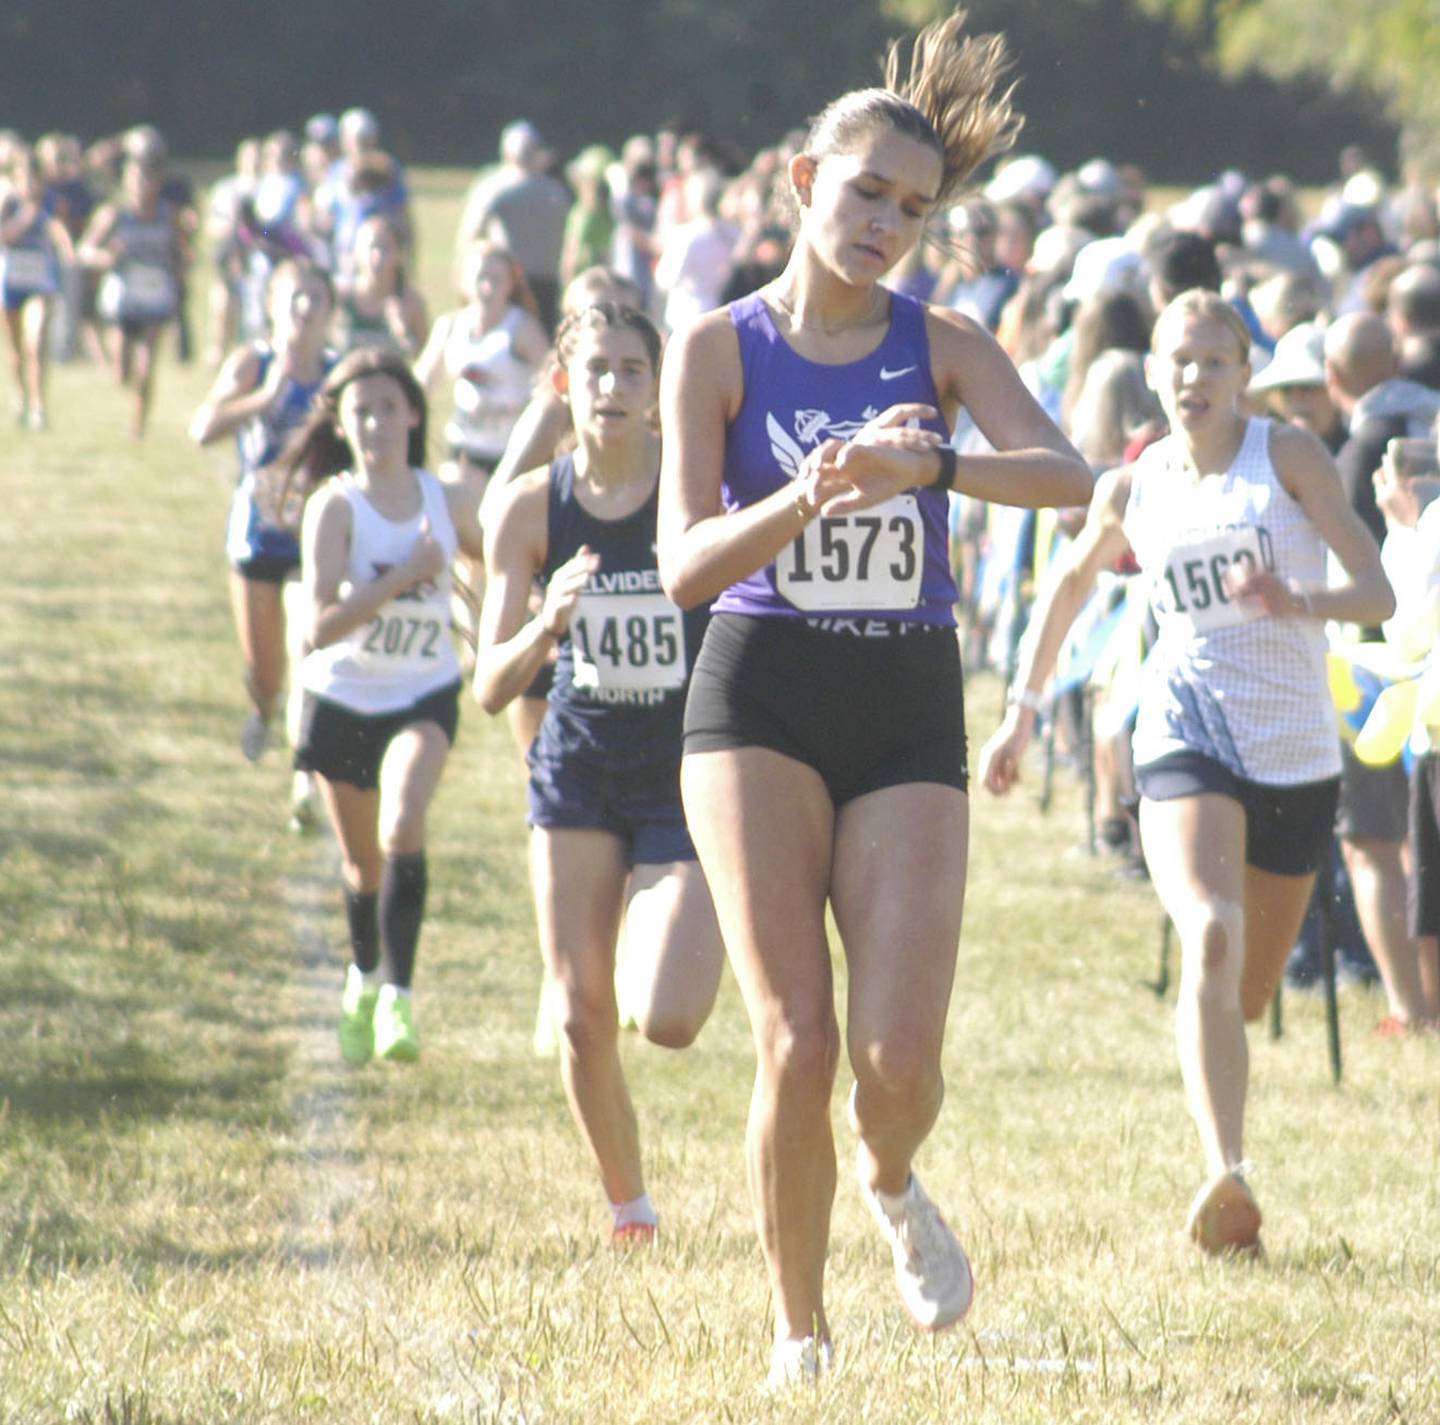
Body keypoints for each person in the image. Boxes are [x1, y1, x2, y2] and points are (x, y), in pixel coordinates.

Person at [657, 10, 1092, 1386]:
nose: (886, 223)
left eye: (912, 208)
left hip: (905, 700)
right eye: (864, 194)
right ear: (803, 185)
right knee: (797, 1034)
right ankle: (800, 1331)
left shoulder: (943, 343)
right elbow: (679, 567)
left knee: (895, 1058)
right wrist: (805, 491)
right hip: (759, 690)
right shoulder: (716, 352)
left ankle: (891, 1180)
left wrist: (936, 473)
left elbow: (1071, 475)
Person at [979, 289, 1394, 1257]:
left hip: (1294, 751)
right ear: (1154, 371)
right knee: (1208, 935)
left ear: (1244, 373)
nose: (1192, 378)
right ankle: (1227, 1174)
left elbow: (1373, 587)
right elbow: (1073, 584)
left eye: (1213, 361)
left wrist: (1302, 599)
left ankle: (1225, 1134)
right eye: (1176, 360)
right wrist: (1020, 714)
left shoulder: (1286, 457)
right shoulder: (1136, 484)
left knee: (1245, 994)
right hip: (1185, 724)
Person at [476, 302, 723, 1242]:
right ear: (563, 386)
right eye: (597, 371)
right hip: (576, 775)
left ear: (659, 391)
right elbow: (490, 687)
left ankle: (689, 919)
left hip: (683, 779)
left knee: (663, 1015)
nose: (613, 388)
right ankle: (630, 1208)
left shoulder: (694, 495)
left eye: (632, 370)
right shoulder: (528, 507)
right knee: (582, 1014)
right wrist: (546, 624)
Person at [277, 346, 484, 1064]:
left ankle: (399, 997)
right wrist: (405, 576)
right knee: (363, 866)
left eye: (388, 408)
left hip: (423, 692)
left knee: (404, 821)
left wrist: (489, 617)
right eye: (361, 411)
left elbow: (505, 549)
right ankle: (363, 973)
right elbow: (319, 627)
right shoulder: (334, 506)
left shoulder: (447, 497)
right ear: (341, 421)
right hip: (341, 700)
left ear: (414, 413)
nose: (376, 423)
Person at [189, 260, 338, 834]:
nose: (305, 309)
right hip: (255, 535)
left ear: (329, 310)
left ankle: (305, 774)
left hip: (313, 536)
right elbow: (202, 429)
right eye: (295, 298)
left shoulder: (335, 372)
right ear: (274, 305)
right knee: (266, 672)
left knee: (310, 652)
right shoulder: (254, 363)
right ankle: (262, 708)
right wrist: (265, 398)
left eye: (316, 299)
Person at [77, 148, 187, 438]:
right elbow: (84, 250)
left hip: (155, 293)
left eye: (148, 179)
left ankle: (138, 427)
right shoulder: (113, 214)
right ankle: (123, 379)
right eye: (136, 178)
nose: (142, 185)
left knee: (146, 364)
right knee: (121, 369)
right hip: (122, 297)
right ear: (126, 181)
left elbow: (181, 251)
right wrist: (105, 258)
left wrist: (179, 273)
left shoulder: (167, 214)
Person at [1, 145, 72, 429]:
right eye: (25, 177)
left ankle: (39, 406)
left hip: (40, 280)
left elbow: (59, 228)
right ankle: (20, 395)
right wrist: (24, 219)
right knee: (16, 348)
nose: (30, 184)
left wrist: (67, 248)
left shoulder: (52, 202)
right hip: (11, 280)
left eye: (35, 178)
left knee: (36, 340)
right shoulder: (8, 203)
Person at [332, 214, 428, 356]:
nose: (377, 256)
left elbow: (422, 361)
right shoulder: (340, 298)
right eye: (371, 247)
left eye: (385, 248)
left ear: (399, 254)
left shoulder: (411, 303)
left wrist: (403, 332)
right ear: (356, 251)